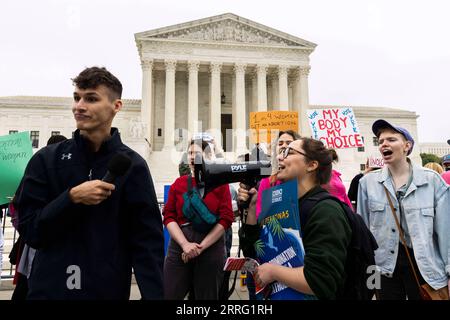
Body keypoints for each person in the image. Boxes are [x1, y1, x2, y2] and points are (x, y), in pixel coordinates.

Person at [16, 67, 164, 299]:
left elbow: (147, 242)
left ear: (116, 106)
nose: (79, 106)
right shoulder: (46, 160)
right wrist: (71, 198)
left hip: (105, 291)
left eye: (91, 98)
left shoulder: (132, 166)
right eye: (77, 97)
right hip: (50, 290)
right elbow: (30, 230)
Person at [240, 138, 352, 299]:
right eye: (281, 151)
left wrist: (273, 271)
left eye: (289, 152)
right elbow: (254, 251)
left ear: (311, 165)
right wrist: (251, 210)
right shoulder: (278, 203)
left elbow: (321, 281)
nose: (279, 157)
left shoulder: (326, 211)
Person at [358, 119, 450, 300]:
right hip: (382, 268)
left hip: (426, 267)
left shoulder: (432, 181)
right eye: (381, 140)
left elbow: (446, 232)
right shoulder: (367, 183)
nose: (384, 143)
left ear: (407, 146)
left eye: (391, 139)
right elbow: (364, 235)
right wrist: (368, 278)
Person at [163, 139, 234, 300]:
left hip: (211, 246)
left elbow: (226, 218)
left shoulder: (220, 185)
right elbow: (168, 216)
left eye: (197, 153)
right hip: (180, 247)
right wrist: (185, 244)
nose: (192, 157)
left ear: (208, 156)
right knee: (170, 293)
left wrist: (200, 248)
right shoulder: (179, 184)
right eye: (190, 153)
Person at [238, 130, 300, 300]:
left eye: (290, 145)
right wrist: (248, 207)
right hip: (263, 268)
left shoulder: (307, 188)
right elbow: (253, 239)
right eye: (280, 144)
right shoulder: (264, 184)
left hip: (296, 270)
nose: (284, 148)